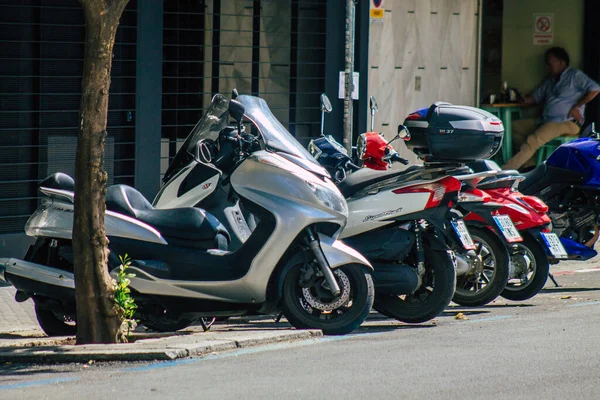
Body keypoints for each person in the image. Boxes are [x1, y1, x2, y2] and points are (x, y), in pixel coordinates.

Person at [502, 47, 600, 170]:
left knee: (533, 140)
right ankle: (529, 166)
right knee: (512, 127)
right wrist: (519, 98)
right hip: (545, 120)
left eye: (550, 63)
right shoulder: (550, 81)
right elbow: (534, 99)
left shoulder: (574, 75)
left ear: (561, 62)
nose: (547, 66)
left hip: (566, 122)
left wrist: (577, 106)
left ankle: (504, 170)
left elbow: (595, 89)